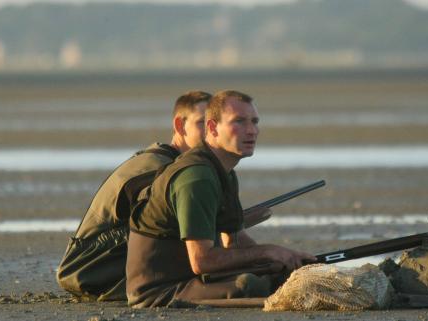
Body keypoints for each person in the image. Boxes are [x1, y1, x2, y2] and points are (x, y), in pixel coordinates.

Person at [126, 90, 316, 308]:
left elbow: (235, 241)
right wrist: (267, 251)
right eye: (239, 121)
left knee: (280, 275)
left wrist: (284, 258)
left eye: (255, 121)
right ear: (213, 127)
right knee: (250, 286)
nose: (252, 131)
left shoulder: (224, 171)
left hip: (191, 278)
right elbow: (201, 261)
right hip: (159, 290)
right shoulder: (196, 177)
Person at [56, 91, 212, 301]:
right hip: (88, 267)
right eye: (202, 123)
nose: (211, 131)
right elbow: (161, 229)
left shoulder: (172, 162)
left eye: (215, 123)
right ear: (180, 126)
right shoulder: (159, 169)